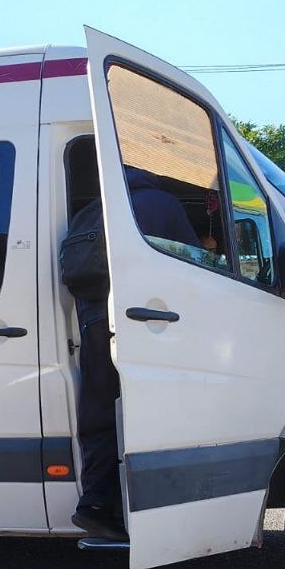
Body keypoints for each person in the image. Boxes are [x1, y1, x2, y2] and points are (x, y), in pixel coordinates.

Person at [68, 165, 201, 542]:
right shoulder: (163, 204)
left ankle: (95, 503)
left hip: (94, 324)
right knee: (156, 414)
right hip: (149, 324)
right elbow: (197, 265)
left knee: (98, 413)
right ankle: (159, 513)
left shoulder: (94, 208)